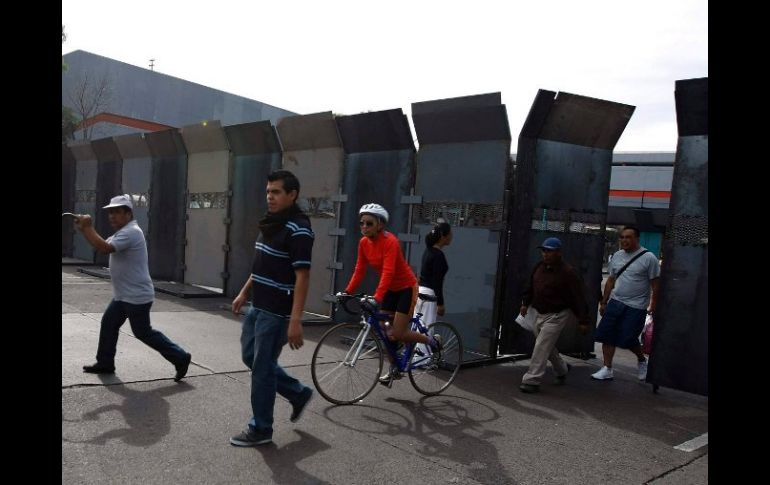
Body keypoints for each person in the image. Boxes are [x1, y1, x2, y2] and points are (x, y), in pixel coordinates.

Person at [229, 170, 315, 447]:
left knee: (262, 369)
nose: (270, 197)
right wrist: (244, 292)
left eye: (276, 192)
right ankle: (298, 393)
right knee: (250, 357)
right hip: (258, 305)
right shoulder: (271, 224)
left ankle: (261, 428)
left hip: (277, 312)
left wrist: (295, 320)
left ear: (292, 195)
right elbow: (263, 264)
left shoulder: (299, 229)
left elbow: (302, 276)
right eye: (268, 191)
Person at [76, 194, 192, 381]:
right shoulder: (122, 232)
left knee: (143, 332)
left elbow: (105, 248)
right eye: (110, 212)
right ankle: (105, 363)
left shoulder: (132, 232)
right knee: (109, 324)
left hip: (136, 296)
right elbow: (101, 243)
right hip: (123, 295)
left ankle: (180, 357)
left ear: (128, 214)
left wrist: (87, 228)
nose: (112, 216)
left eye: (117, 212)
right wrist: (86, 230)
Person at [343, 203, 442, 386]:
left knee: (398, 332)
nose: (364, 227)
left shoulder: (390, 241)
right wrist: (347, 292)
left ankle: (431, 341)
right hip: (390, 289)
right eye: (361, 223)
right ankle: (395, 367)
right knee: (385, 331)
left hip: (406, 287)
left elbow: (388, 272)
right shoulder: (364, 243)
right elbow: (359, 270)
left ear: (380, 224)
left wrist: (377, 297)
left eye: (369, 223)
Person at [519, 237, 590, 393]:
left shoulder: (568, 272)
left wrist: (583, 320)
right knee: (546, 346)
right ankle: (562, 369)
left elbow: (578, 297)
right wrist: (525, 303)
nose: (545, 254)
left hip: (557, 315)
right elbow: (530, 286)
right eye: (544, 250)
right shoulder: (539, 267)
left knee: (541, 346)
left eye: (549, 251)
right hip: (539, 312)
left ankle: (531, 380)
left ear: (558, 252)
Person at [591, 225, 660, 382]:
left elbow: (656, 285)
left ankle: (642, 360)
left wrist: (653, 305)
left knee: (628, 338)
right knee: (607, 335)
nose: (624, 240)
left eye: (628, 237)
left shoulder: (649, 258)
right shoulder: (617, 256)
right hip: (616, 302)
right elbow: (611, 280)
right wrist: (604, 301)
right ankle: (607, 368)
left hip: (636, 306)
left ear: (637, 239)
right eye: (622, 237)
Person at [415, 220, 452, 324]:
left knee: (419, 327)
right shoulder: (438, 256)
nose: (451, 236)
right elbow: (437, 282)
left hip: (420, 291)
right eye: (449, 234)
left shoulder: (428, 251)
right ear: (443, 237)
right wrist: (440, 303)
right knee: (426, 328)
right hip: (429, 294)